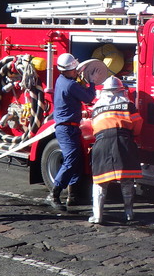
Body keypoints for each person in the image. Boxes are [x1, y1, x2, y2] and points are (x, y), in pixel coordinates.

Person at [88, 76, 143, 225]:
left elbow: (94, 127)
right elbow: (138, 124)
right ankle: (129, 214)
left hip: (101, 143)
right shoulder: (128, 105)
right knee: (127, 180)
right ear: (121, 91)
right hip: (123, 142)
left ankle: (97, 216)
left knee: (100, 182)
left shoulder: (96, 107)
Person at [48, 52, 96, 211]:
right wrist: (92, 83)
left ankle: (73, 196)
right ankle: (54, 194)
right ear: (67, 70)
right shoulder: (71, 85)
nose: (76, 71)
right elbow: (89, 98)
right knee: (71, 159)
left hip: (69, 127)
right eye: (74, 69)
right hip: (67, 128)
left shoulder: (62, 80)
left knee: (77, 159)